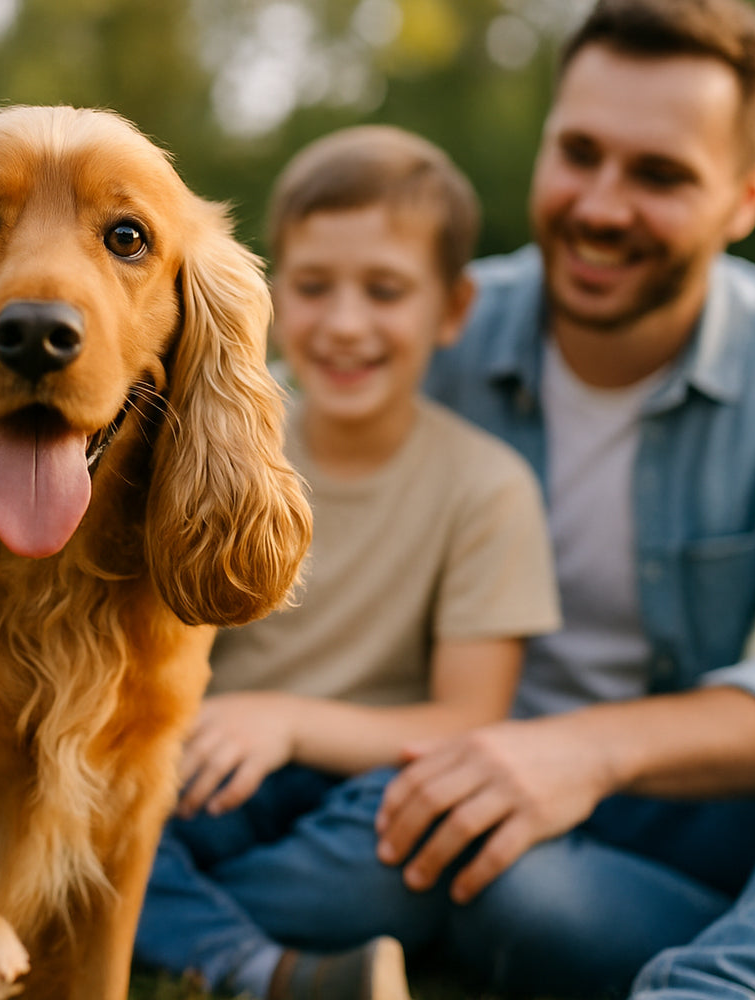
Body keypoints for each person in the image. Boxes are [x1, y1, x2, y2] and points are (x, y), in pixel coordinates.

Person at [377, 1, 755, 997]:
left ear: (748, 196)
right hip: (501, 821)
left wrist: (587, 751)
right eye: (579, 153)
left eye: (659, 175)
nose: (599, 207)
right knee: (503, 889)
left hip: (700, 797)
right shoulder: (429, 339)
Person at [133, 126, 560, 1000]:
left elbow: (470, 716)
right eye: (313, 286)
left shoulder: (488, 487)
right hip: (207, 770)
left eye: (386, 291)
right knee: (116, 807)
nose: (344, 324)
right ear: (272, 291)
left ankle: (149, 917)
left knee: (402, 852)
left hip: (360, 786)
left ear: (453, 309)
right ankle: (264, 969)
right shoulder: (216, 442)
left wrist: (287, 721)